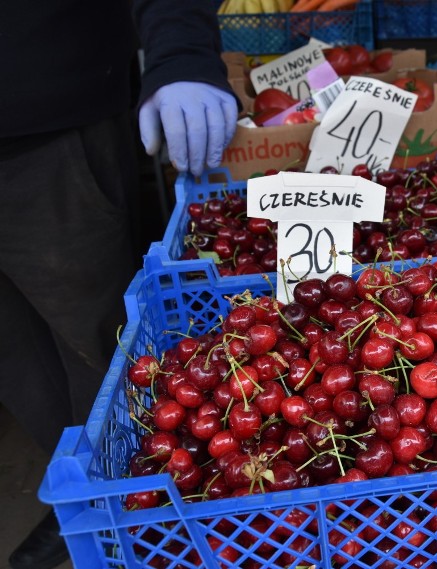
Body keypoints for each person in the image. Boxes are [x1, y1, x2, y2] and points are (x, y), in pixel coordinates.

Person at [0, 1, 238, 568]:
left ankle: (144, 508)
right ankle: (89, 498)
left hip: (47, 123)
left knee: (100, 347)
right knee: (14, 357)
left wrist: (181, 54)